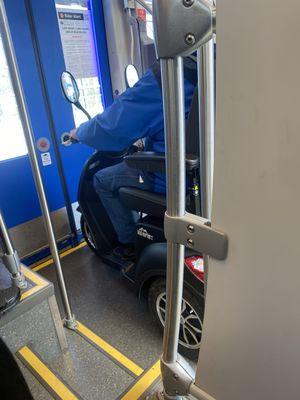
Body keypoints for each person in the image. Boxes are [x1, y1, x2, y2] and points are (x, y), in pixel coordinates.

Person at [70, 58, 197, 260]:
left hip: (169, 175)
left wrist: (79, 133)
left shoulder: (171, 71)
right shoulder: (213, 64)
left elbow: (111, 128)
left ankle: (129, 243)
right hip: (203, 178)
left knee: (101, 180)